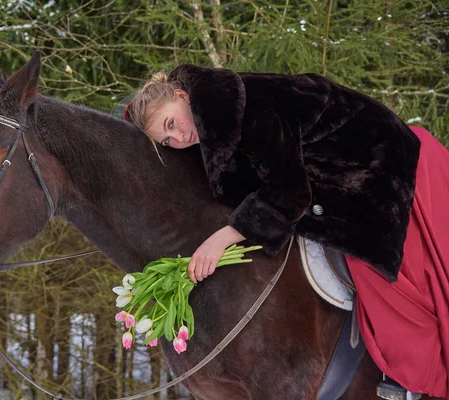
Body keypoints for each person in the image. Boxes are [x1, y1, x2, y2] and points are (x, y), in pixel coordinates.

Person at [124, 64, 449, 397]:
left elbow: (289, 193)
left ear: (181, 96)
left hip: (373, 161)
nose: (179, 137)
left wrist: (223, 238)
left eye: (171, 123)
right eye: (167, 139)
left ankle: (414, 378)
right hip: (332, 169)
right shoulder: (211, 121)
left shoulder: (248, 108)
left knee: (373, 267)